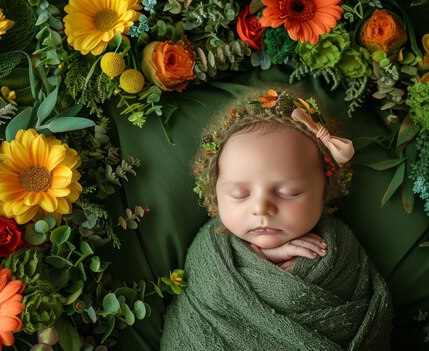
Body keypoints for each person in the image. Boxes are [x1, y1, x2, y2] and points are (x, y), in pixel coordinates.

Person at [160, 88, 393, 351]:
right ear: (215, 195)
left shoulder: (339, 252)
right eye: (239, 194)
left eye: (288, 192)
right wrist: (264, 260)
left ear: (325, 191)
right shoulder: (211, 250)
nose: (261, 208)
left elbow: (362, 316)